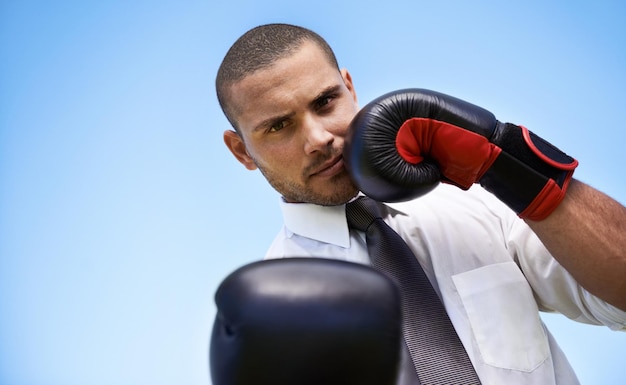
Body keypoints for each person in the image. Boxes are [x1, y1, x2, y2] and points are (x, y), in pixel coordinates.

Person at [215, 23, 626, 384]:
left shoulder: (474, 201)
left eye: (325, 102)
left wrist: (513, 164)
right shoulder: (274, 311)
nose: (319, 138)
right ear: (241, 151)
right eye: (279, 126)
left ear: (349, 88)